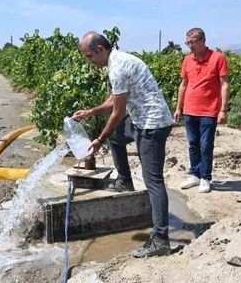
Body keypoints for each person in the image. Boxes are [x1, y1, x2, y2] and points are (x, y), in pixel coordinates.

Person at [72, 31, 175, 258]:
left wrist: (98, 139)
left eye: (89, 56)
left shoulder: (118, 67)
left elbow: (118, 112)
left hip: (152, 124)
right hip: (140, 120)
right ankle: (125, 180)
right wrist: (92, 112)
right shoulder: (117, 61)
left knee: (154, 181)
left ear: (100, 49)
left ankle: (161, 240)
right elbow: (114, 99)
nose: (89, 61)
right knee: (117, 136)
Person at [173, 28, 230, 193]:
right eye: (188, 42)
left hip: (209, 111)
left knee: (206, 145)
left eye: (193, 42)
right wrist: (179, 107)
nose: (190, 45)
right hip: (190, 110)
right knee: (193, 144)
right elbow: (183, 85)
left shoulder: (218, 58)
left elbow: (224, 84)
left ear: (203, 40)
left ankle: (206, 177)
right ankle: (195, 175)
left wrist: (223, 110)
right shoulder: (187, 60)